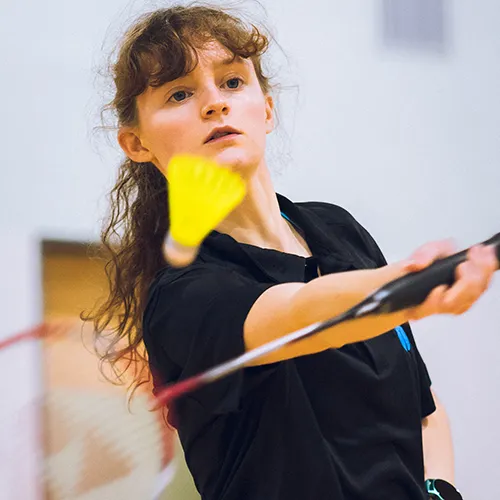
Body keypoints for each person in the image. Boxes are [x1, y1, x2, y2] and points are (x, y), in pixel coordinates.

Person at [88, 5, 498, 500]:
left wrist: (439, 492)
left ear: (266, 108)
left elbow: (424, 410)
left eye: (233, 82)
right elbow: (300, 313)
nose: (215, 104)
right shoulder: (183, 296)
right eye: (180, 92)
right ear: (136, 143)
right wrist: (406, 286)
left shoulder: (338, 229)